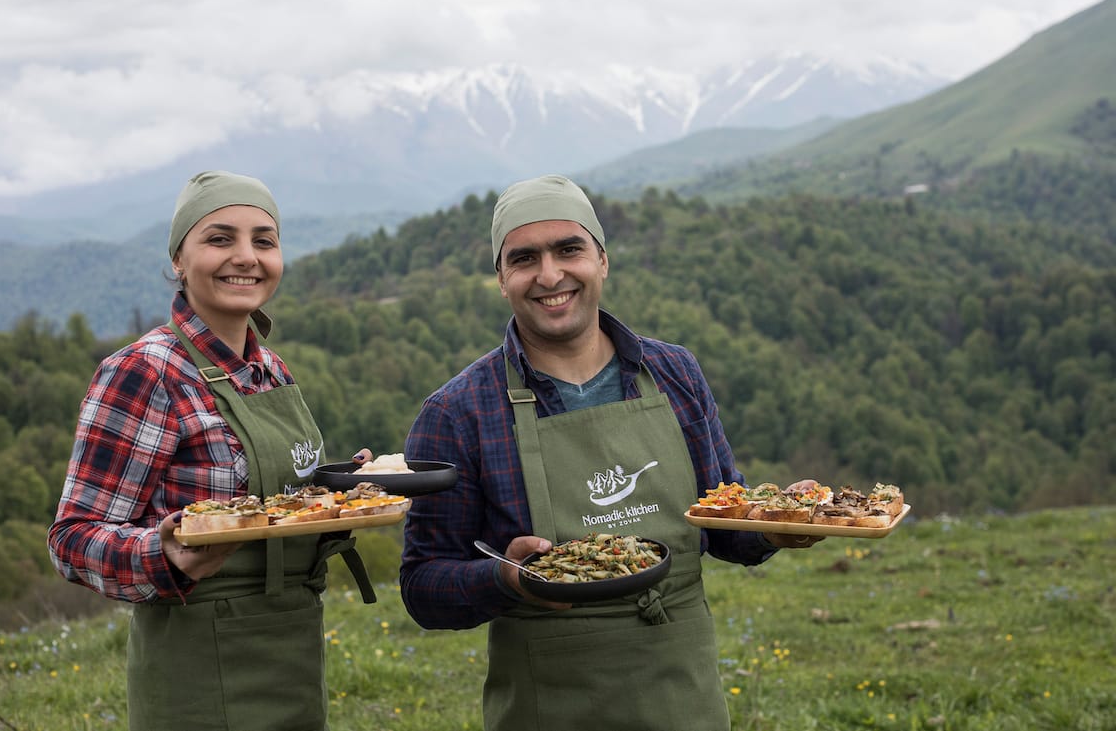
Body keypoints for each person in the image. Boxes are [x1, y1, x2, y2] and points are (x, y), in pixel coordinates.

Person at [399, 174, 823, 731]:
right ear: (501, 279)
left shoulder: (675, 374)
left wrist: (774, 525)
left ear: (602, 260)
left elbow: (723, 525)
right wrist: (502, 579)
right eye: (525, 258)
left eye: (568, 249)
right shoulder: (458, 413)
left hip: (683, 697)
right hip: (550, 707)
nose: (550, 275)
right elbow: (424, 586)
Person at [48, 170, 376, 731]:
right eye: (220, 238)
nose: (245, 257)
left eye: (263, 241)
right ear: (179, 259)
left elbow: (270, 502)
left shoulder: (269, 368)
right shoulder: (143, 372)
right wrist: (164, 554)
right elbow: (72, 539)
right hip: (196, 669)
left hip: (291, 650)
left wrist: (343, 491)